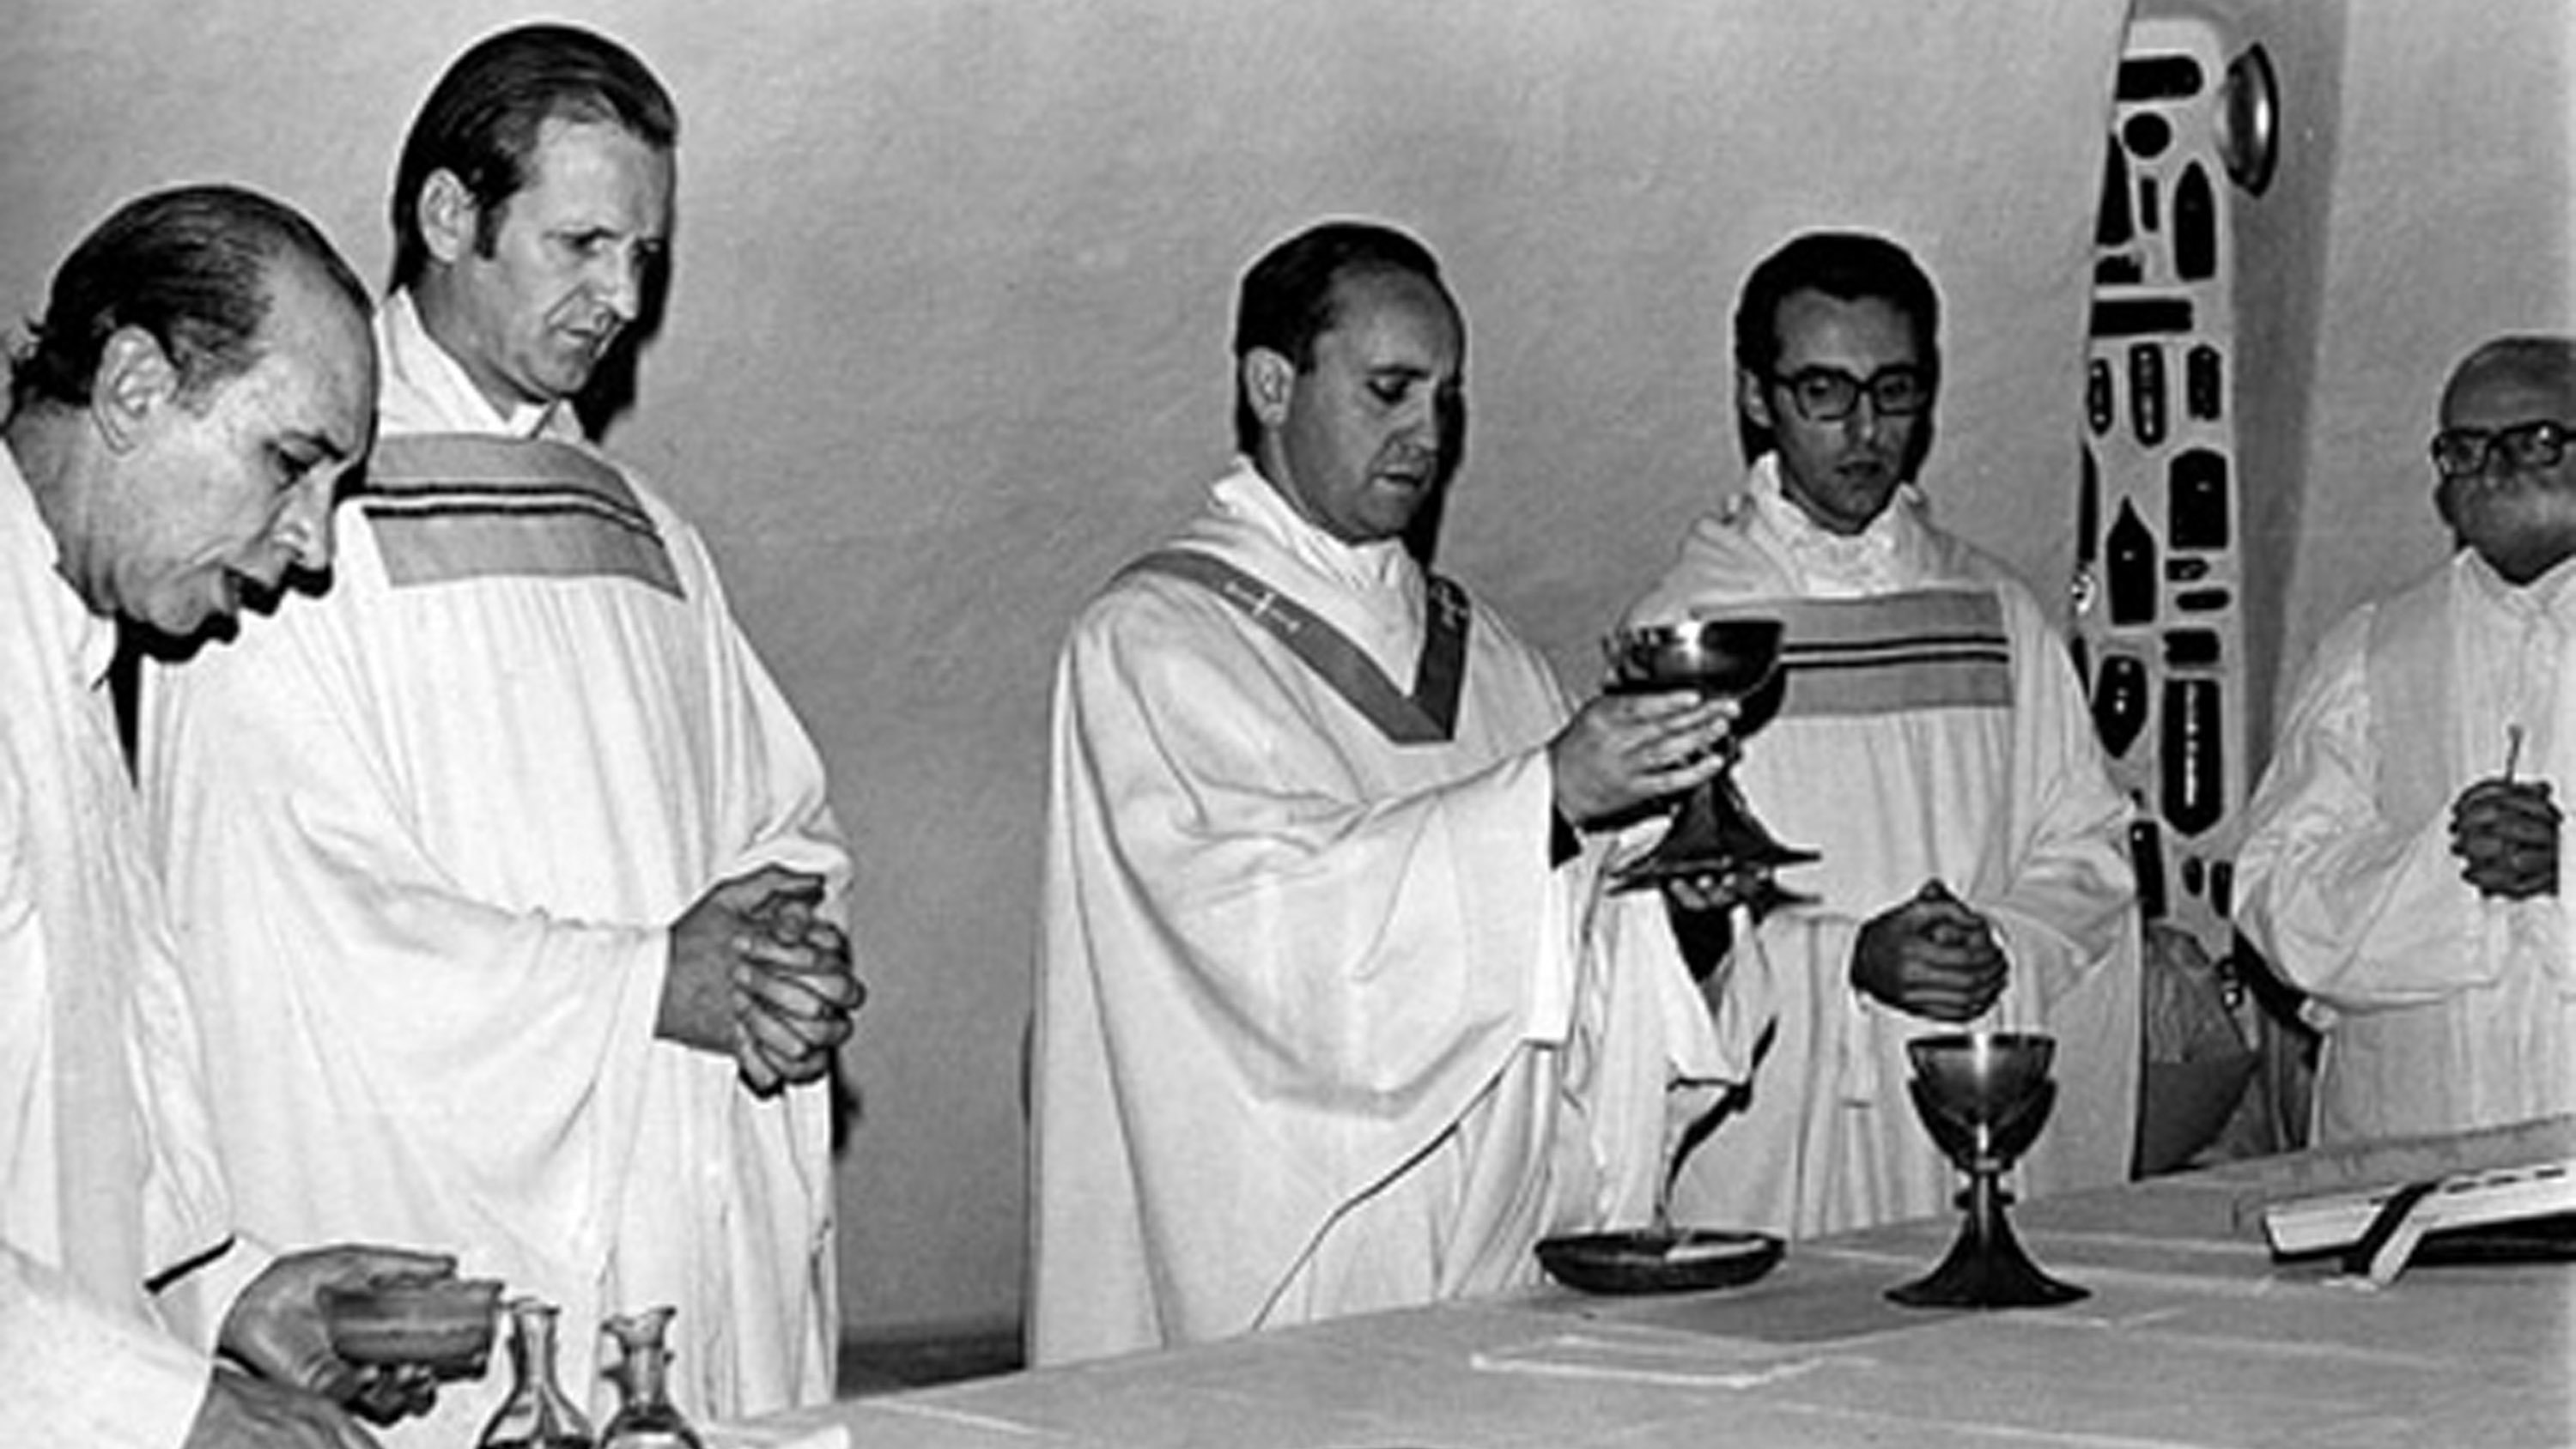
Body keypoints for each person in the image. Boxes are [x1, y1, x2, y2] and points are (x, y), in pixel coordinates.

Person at [137, 25, 862, 1440]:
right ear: (449, 217)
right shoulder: (288, 506)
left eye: (644, 255)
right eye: (584, 242)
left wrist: (783, 957)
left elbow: (780, 821)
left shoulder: (649, 529)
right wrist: (646, 983)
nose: (623, 297)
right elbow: (295, 911)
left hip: (670, 1188)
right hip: (445, 1214)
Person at [1029, 218, 1747, 1365]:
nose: (1428, 435)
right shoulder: (1158, 641)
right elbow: (1257, 952)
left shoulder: (1496, 658)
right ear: (1273, 384)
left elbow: (1586, 965)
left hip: (1512, 1265)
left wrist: (1684, 910)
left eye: (1446, 399)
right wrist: (1548, 800)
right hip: (1307, 1276)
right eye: (1390, 390)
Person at [1, 184, 463, 1447]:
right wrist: (178, 1413)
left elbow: (62, 1147)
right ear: (137, 387)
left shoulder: (75, 658)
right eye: (292, 462)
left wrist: (224, 1297)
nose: (314, 546)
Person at [1625, 230, 2140, 1240]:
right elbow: (1642, 929)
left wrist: (1995, 940)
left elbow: (2087, 852)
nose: (1864, 430)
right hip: (1783, 1137)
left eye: (1894, 390)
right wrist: (1847, 958)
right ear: (1755, 394)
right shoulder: (1687, 634)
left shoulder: (1994, 612)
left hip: (1974, 1085)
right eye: (1823, 390)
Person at [2234, 336, 2576, 1144]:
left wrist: (2562, 872)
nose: (2496, 469)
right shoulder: (2368, 648)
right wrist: (2446, 869)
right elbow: (2276, 895)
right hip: (2410, 1144)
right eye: (2465, 448)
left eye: (2536, 440)